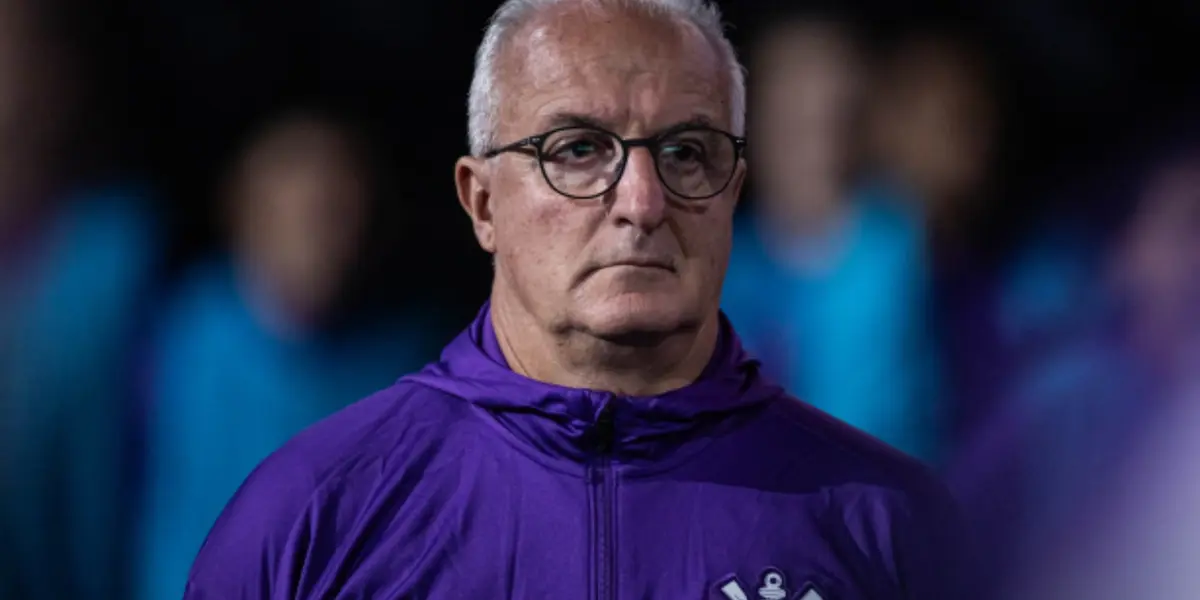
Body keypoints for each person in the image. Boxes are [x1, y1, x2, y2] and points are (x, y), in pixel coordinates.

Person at [185, 1, 972, 597]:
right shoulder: (311, 519)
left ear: (734, 192)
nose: (641, 199)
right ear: (482, 202)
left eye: (686, 152)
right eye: (578, 150)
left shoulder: (890, 527)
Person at [135, 110, 439, 600]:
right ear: (244, 213)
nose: (320, 240)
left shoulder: (416, 358)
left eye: (338, 212)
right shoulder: (187, 333)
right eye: (299, 212)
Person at [721, 13, 944, 464]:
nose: (818, 153)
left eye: (835, 125)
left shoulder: (900, 249)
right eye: (795, 128)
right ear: (754, 131)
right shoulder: (724, 266)